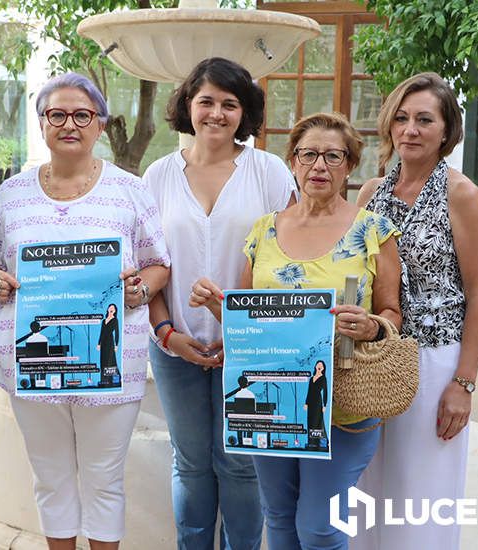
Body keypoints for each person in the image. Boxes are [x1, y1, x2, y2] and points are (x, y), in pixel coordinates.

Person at [192, 111, 402, 549]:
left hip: (342, 401)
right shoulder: (264, 231)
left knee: (319, 527)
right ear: (292, 162)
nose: (319, 166)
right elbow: (246, 319)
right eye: (309, 155)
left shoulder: (373, 231)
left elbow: (391, 313)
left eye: (332, 156)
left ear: (350, 165)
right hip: (272, 401)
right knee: (280, 518)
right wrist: (217, 303)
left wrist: (370, 327)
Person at [0, 72, 170, 550]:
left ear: (100, 126)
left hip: (110, 363)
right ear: (42, 123)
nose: (70, 124)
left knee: (105, 481)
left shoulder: (129, 189)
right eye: (57, 114)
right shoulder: (13, 194)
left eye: (82, 115)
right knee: (51, 478)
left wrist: (139, 292)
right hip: (35, 361)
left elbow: (158, 264)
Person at [142, 56, 296, 550]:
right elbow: (147, 265)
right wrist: (166, 333)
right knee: (189, 460)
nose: (216, 113)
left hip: (250, 350)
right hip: (174, 344)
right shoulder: (157, 176)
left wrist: (248, 335)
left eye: (229, 104)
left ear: (244, 112)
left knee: (240, 462)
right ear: (188, 105)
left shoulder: (268, 171)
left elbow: (290, 261)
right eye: (205, 100)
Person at [353, 72, 478, 550]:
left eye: (425, 120)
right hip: (374, 357)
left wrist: (464, 383)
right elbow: (354, 274)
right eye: (403, 118)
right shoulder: (371, 192)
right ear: (390, 125)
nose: (410, 130)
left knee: (421, 493)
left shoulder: (461, 194)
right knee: (366, 490)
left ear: (447, 130)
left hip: (435, 362)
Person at [304, 360, 328, 451]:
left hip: (318, 402)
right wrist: (306, 403)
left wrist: (324, 405)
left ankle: (317, 444)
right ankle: (311, 443)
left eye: (321, 365)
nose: (319, 366)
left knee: (317, 422)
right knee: (310, 422)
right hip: (310, 403)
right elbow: (309, 391)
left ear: (323, 368)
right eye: (318, 364)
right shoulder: (311, 378)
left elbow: (325, 392)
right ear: (315, 366)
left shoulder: (323, 378)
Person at [97, 304, 121, 387]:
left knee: (110, 361)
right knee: (103, 361)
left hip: (110, 342)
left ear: (115, 310)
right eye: (110, 307)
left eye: (113, 308)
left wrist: (116, 345)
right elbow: (101, 332)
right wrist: (99, 343)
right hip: (103, 343)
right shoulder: (104, 321)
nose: (111, 309)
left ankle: (114, 381)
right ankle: (104, 382)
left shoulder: (115, 320)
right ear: (107, 309)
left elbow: (117, 333)